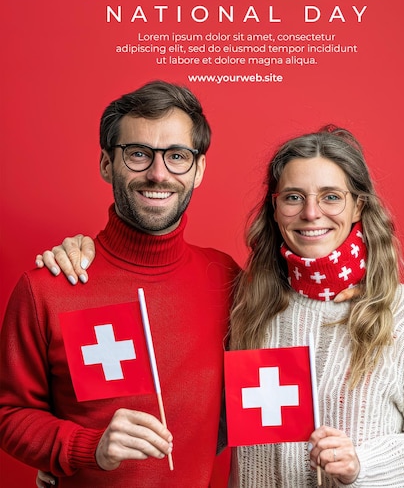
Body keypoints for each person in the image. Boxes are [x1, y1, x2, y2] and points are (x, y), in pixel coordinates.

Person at [0, 80, 240, 488]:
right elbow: (9, 415)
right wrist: (86, 449)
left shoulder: (227, 279)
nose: (158, 173)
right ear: (106, 164)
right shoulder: (50, 286)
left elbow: (238, 407)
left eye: (177, 156)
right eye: (138, 154)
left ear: (198, 170)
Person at [227, 126, 404, 486]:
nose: (311, 213)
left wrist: (362, 465)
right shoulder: (248, 307)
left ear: (358, 206)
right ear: (274, 210)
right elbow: (216, 423)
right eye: (293, 197)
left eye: (331, 197)